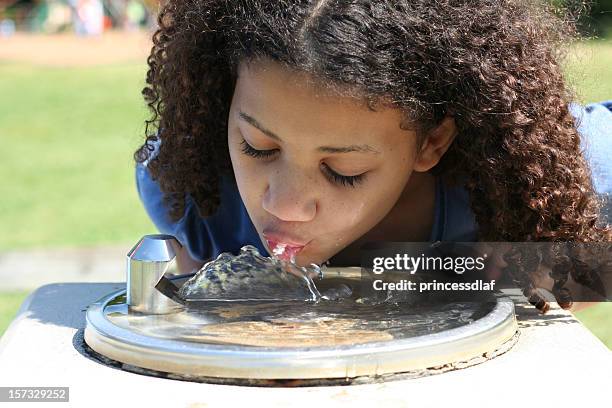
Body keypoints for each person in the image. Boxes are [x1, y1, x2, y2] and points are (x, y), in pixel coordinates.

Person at [134, 0, 611, 312]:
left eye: (344, 171)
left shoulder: (533, 175)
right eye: (257, 147)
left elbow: (587, 275)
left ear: (431, 143)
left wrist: (535, 273)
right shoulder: (190, 190)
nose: (284, 205)